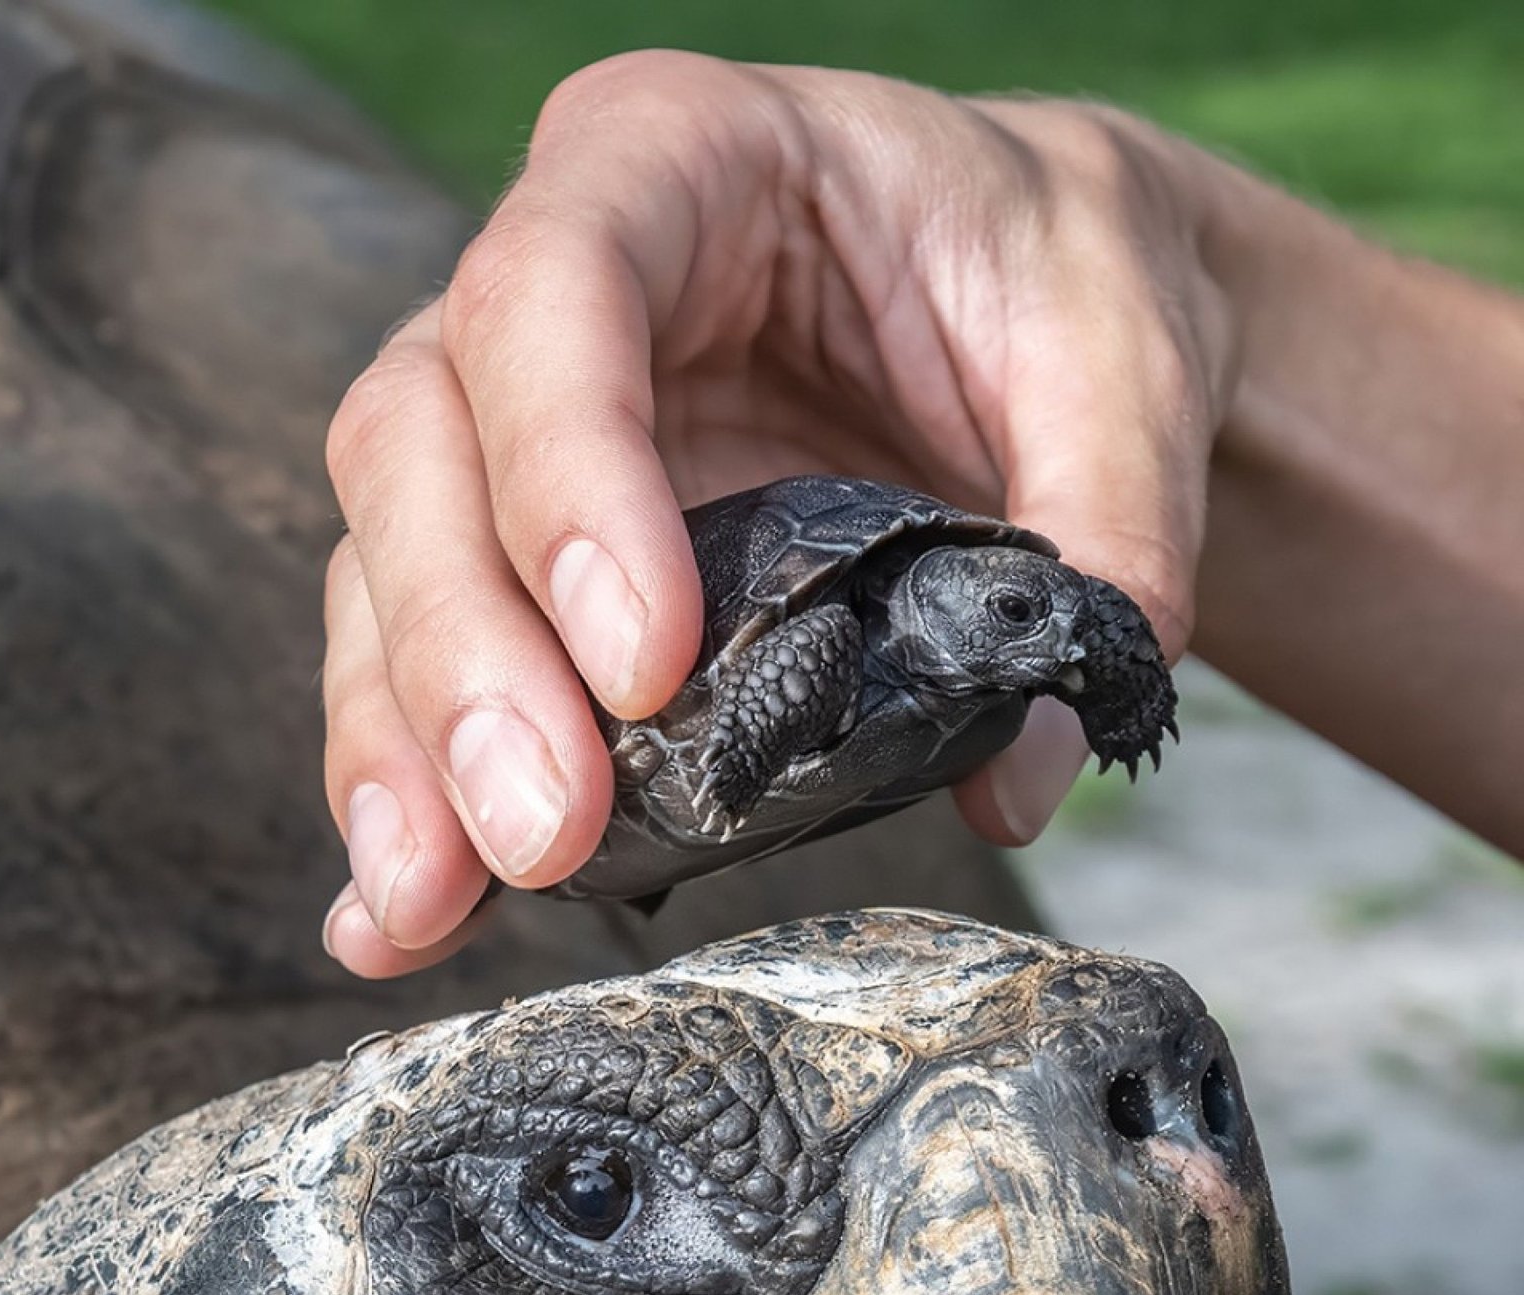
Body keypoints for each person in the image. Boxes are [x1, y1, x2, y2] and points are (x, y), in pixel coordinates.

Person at [316, 52, 1524, 979]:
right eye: (1011, 606)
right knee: (776, 653)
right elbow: (821, 645)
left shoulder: (1005, 628)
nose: (1056, 630)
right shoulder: (836, 632)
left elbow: (1080, 616)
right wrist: (1173, 237)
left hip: (757, 741)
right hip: (665, 754)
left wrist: (1117, 676)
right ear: (944, 594)